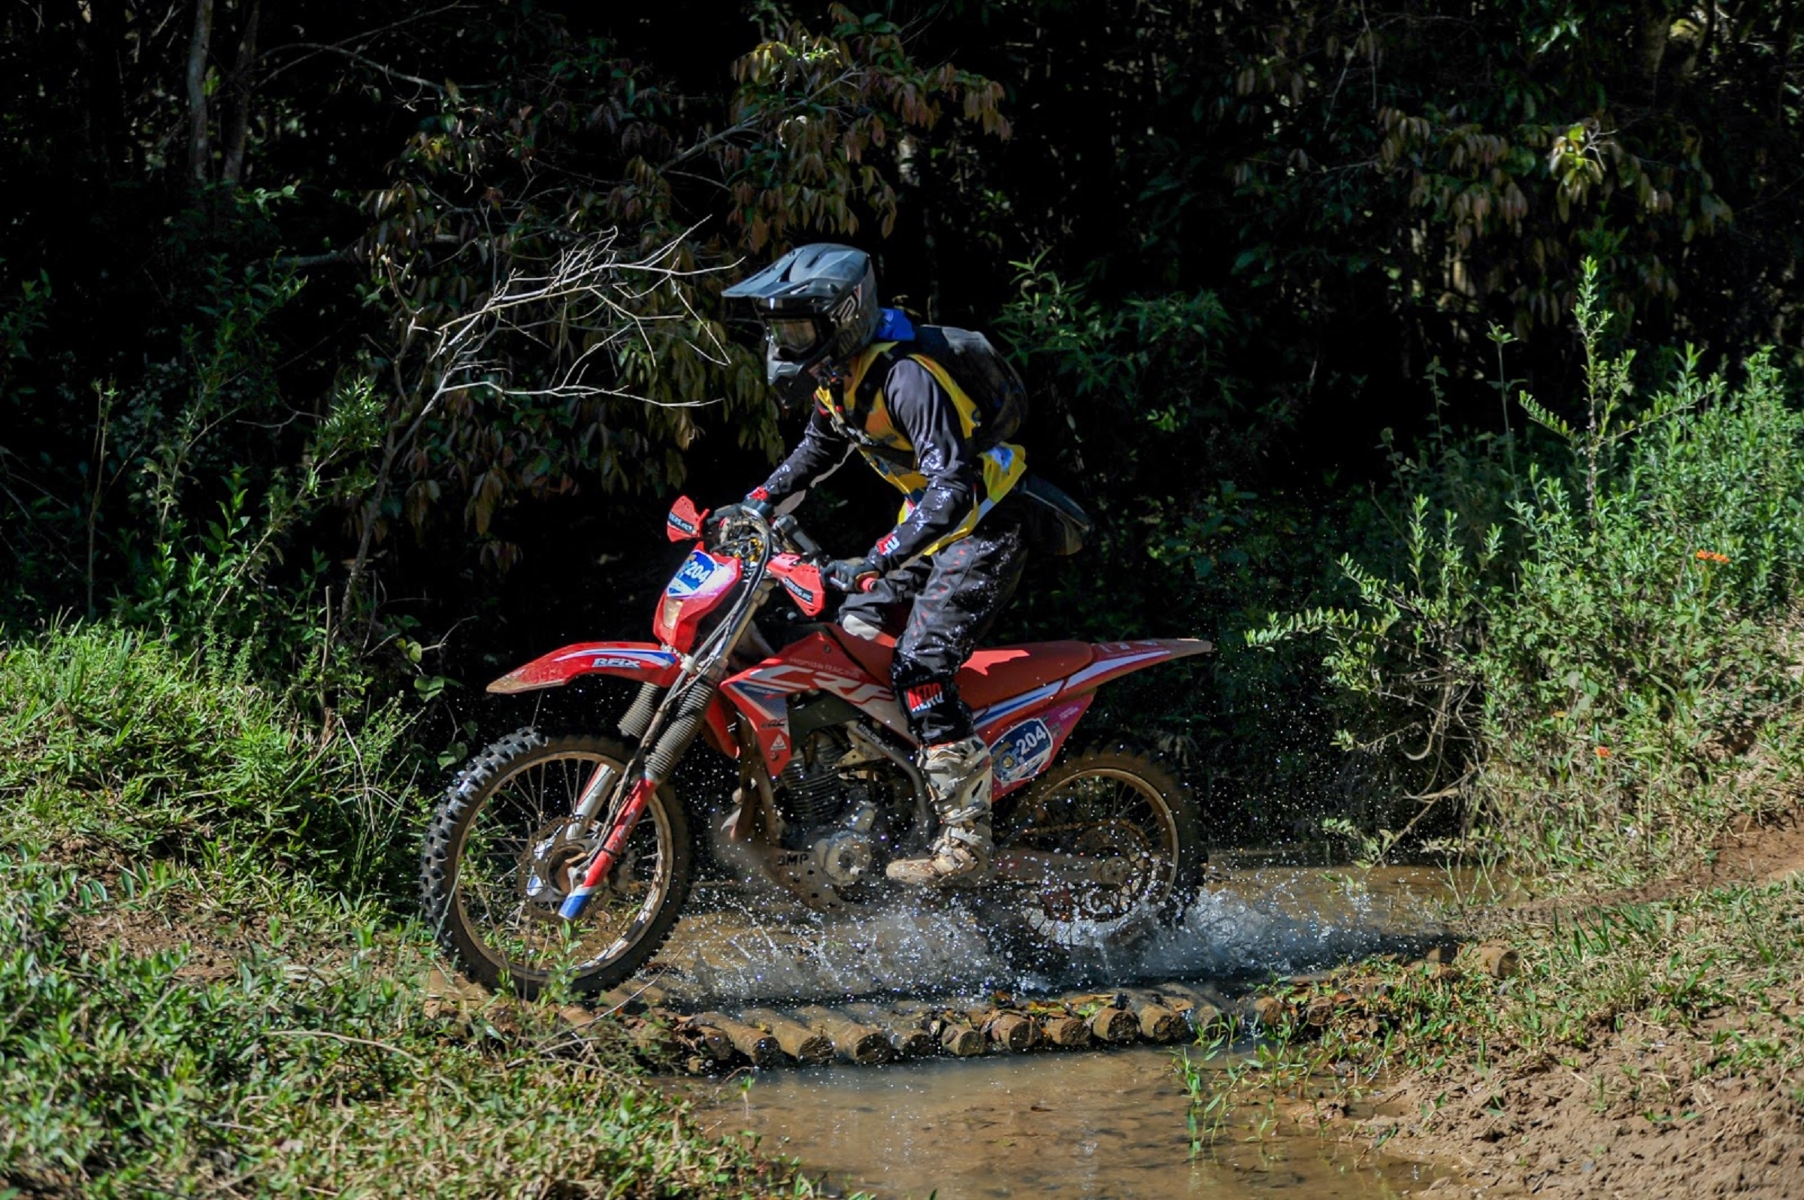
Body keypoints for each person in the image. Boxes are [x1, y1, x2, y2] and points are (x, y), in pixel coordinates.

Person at [719, 243, 1032, 886]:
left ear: (845, 314)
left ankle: (965, 842)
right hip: (929, 530)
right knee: (845, 645)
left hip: (982, 530)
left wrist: (878, 558)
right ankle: (872, 793)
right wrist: (751, 505)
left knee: (919, 665)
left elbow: (953, 488)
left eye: (799, 326)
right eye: (781, 328)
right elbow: (815, 452)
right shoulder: (841, 379)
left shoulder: (906, 376)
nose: (788, 340)